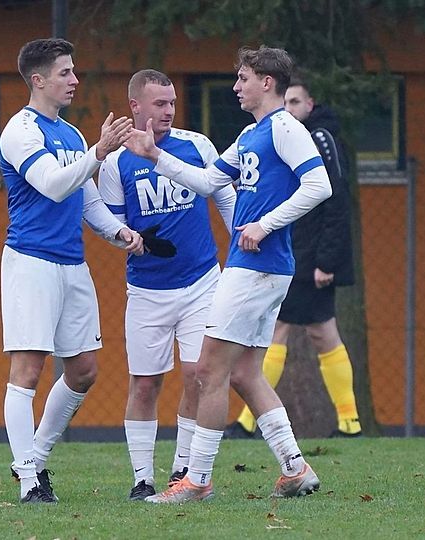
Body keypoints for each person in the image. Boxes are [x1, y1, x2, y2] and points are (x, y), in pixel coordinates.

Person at [123, 45, 333, 503]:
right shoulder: (251, 135)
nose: (236, 87)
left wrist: (266, 223)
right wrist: (154, 154)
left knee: (207, 369)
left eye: (242, 78)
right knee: (244, 373)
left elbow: (320, 185)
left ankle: (196, 481)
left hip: (258, 267)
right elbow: (204, 182)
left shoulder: (284, 129)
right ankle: (295, 468)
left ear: (266, 83)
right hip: (256, 268)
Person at [0, 37, 145, 505]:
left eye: (74, 71)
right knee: (28, 370)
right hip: (31, 263)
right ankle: (27, 481)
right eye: (65, 72)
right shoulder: (20, 131)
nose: (75, 80)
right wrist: (99, 152)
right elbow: (54, 185)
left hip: (71, 264)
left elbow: (86, 198)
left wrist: (119, 233)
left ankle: (36, 459)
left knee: (83, 371)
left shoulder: (72, 135)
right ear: (38, 80)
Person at [98, 69, 236, 500]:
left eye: (172, 103)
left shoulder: (196, 145)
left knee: (199, 374)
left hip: (201, 282)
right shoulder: (118, 160)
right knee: (145, 383)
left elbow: (224, 196)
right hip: (146, 289)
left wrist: (243, 245)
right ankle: (142, 479)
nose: (169, 110)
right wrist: (129, 240)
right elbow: (109, 221)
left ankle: (183, 470)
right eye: (159, 103)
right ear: (135, 106)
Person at [226, 79, 361, 439]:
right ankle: (349, 422)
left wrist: (327, 261)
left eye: (295, 101)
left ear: (310, 105)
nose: (289, 108)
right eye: (285, 101)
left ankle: (249, 420)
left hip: (309, 255)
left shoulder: (317, 140)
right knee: (317, 331)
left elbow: (333, 202)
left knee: (288, 329)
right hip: (299, 250)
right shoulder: (292, 134)